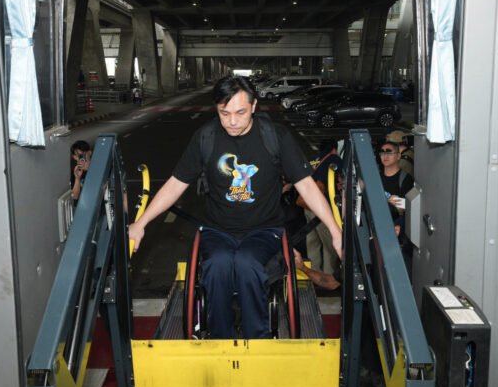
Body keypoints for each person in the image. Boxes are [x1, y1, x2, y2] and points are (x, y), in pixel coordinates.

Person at [128, 75, 342, 339]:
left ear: (253, 107)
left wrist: (335, 231)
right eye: (224, 112)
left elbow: (307, 186)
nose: (231, 121)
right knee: (217, 265)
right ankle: (221, 337)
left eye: (240, 112)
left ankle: (257, 337)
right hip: (218, 229)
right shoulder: (206, 137)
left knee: (246, 262)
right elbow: (175, 184)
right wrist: (141, 223)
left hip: (264, 229)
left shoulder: (275, 137)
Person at [302, 138, 342, 275]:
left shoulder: (312, 160)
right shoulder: (333, 159)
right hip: (322, 207)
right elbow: (343, 175)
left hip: (306, 205)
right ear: (334, 149)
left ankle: (314, 274)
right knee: (329, 244)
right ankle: (328, 276)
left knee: (312, 243)